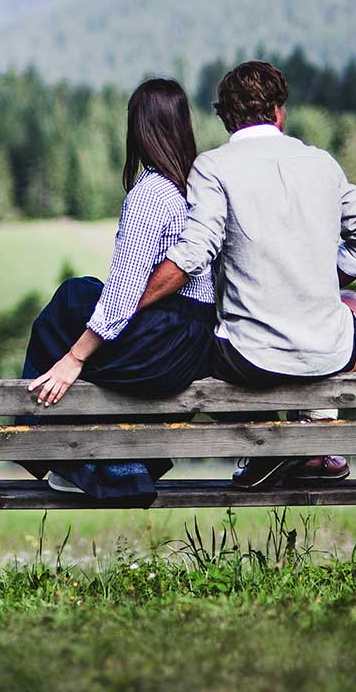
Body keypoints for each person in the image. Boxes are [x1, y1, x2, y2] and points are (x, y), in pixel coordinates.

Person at [135, 60, 356, 489]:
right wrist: (323, 278)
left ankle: (267, 451)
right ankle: (315, 438)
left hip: (247, 359)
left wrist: (132, 303)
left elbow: (195, 252)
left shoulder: (213, 167)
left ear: (226, 116)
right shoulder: (322, 164)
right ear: (278, 110)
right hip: (324, 352)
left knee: (200, 339)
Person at [22, 77, 216, 500]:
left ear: (139, 130)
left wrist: (75, 358)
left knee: (70, 300)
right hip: (193, 345)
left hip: (161, 348)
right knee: (83, 297)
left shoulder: (151, 194)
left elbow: (125, 291)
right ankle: (108, 462)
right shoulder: (198, 191)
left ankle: (65, 457)